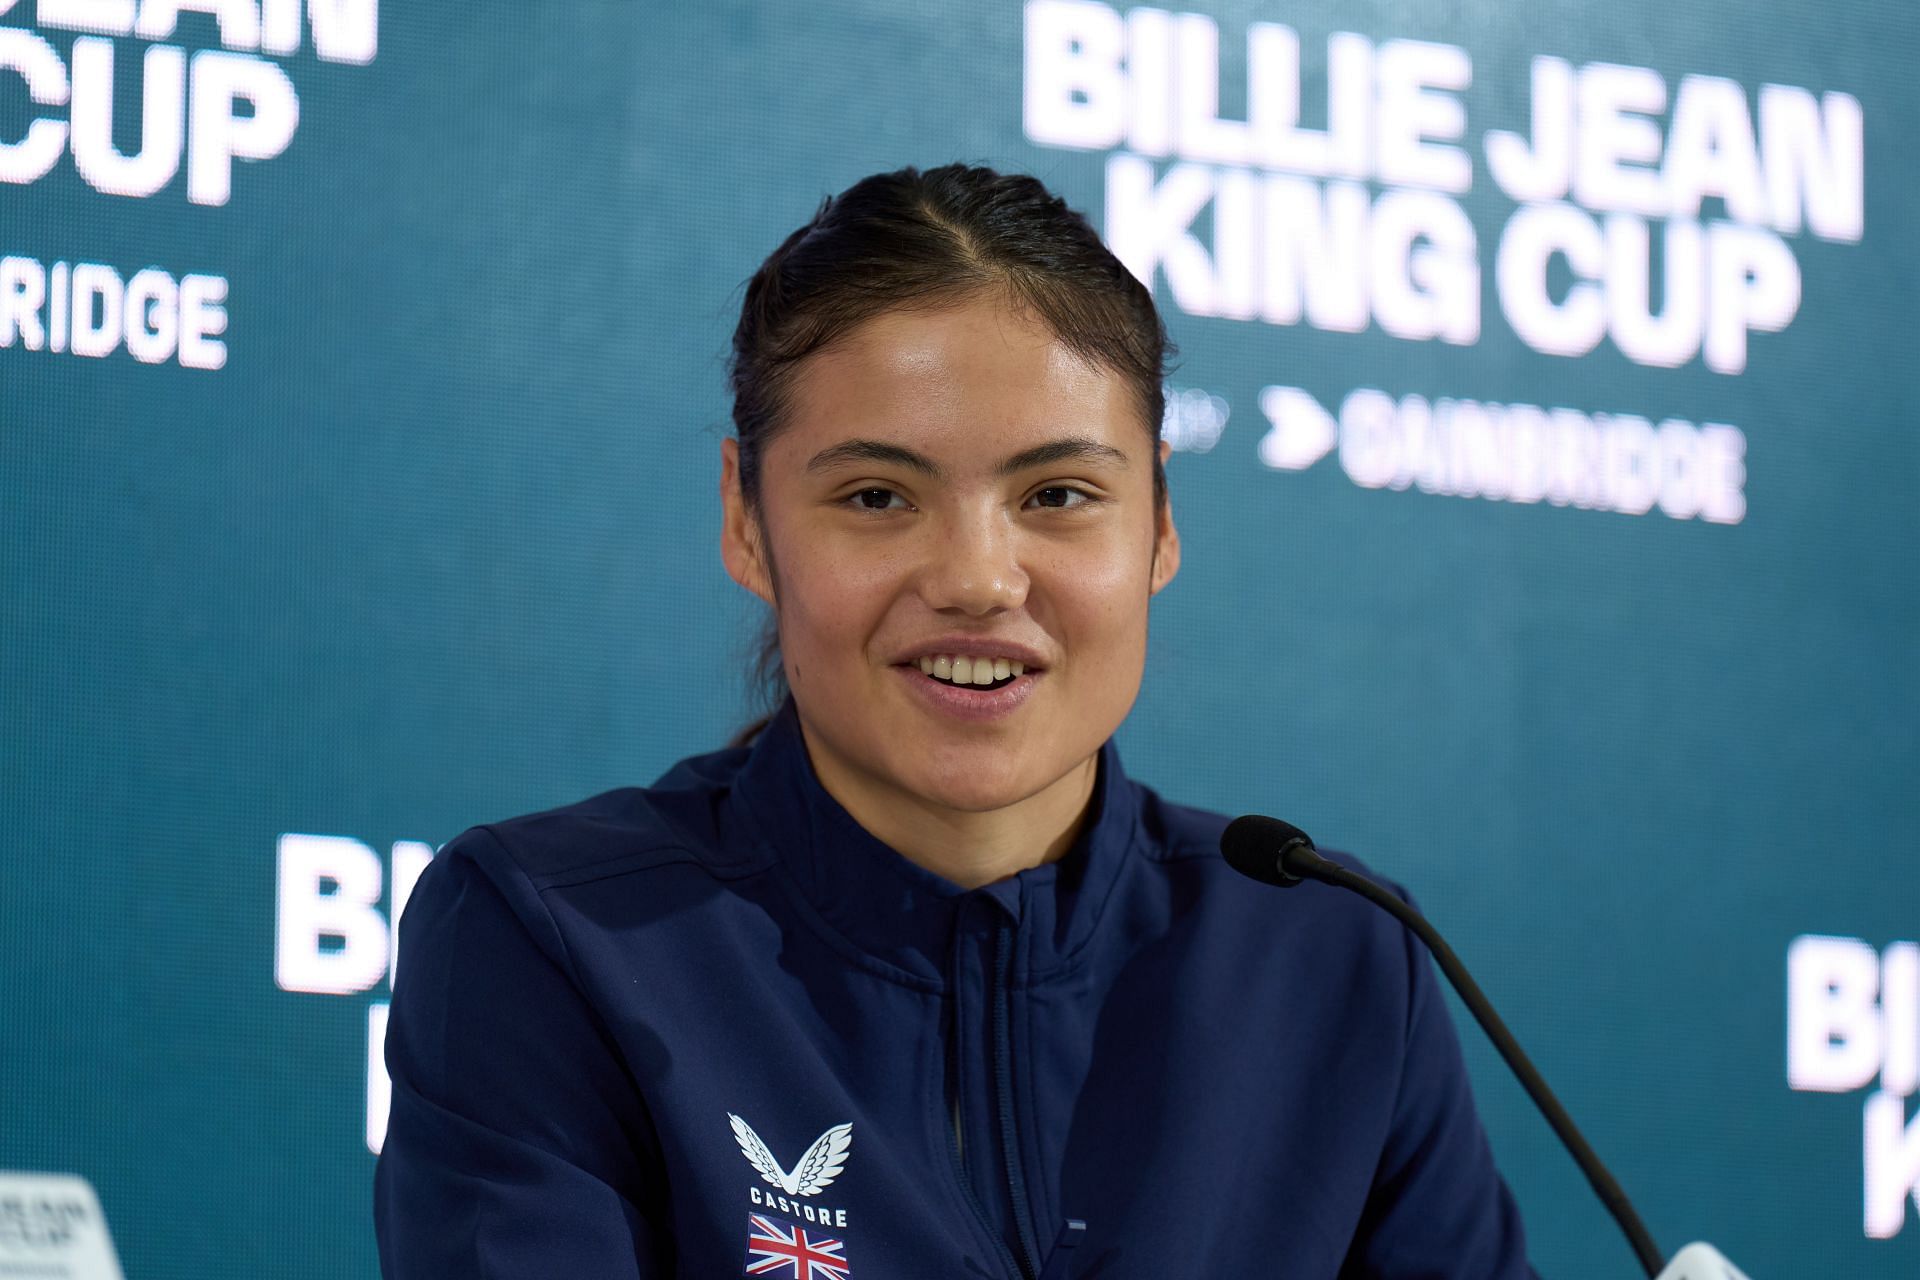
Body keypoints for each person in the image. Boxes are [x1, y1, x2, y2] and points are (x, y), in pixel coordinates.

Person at [373, 163, 1534, 1278]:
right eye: (878, 496)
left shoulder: (1333, 954)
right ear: (745, 518)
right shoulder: (554, 938)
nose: (980, 577)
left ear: (1163, 523)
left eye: (1058, 496)